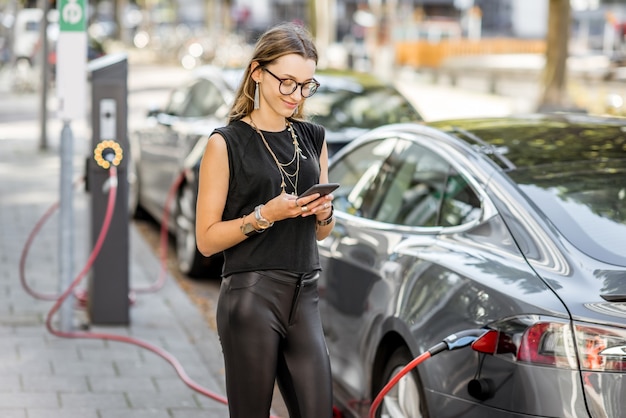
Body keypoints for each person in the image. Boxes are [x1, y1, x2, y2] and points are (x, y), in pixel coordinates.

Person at [195, 22, 335, 418]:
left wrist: (324, 213)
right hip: (252, 296)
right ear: (257, 72)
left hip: (305, 294)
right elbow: (206, 240)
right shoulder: (225, 143)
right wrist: (263, 216)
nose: (296, 95)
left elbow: (323, 235)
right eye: (286, 82)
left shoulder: (313, 138)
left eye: (307, 85)